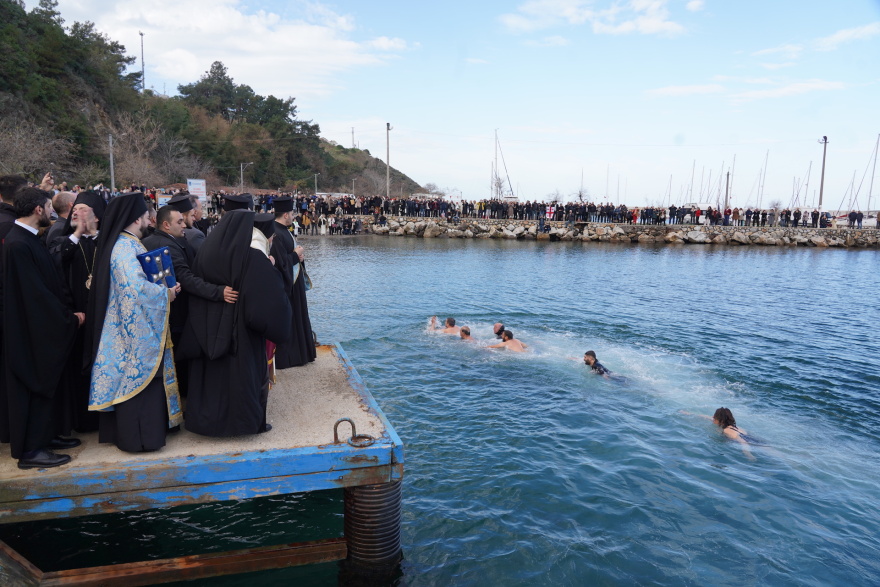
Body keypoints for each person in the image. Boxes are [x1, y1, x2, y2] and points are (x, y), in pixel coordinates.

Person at [180, 211, 292, 437]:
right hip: (239, 331)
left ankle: (203, 422)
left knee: (209, 380)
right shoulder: (250, 256)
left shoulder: (207, 251)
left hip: (208, 326)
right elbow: (266, 300)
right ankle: (244, 425)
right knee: (241, 379)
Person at [87, 193, 183, 453]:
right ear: (136, 218)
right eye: (145, 216)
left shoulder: (126, 244)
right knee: (139, 383)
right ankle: (140, 440)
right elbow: (137, 290)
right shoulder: (125, 247)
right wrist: (168, 293)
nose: (148, 220)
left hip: (128, 326)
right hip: (134, 332)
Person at [3, 188, 83, 468]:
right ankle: (30, 451)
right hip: (31, 331)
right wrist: (69, 319)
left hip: (36, 327)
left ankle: (45, 437)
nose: (51, 211)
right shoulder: (18, 245)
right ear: (38, 209)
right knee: (33, 384)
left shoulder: (26, 240)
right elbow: (34, 295)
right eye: (49, 206)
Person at [143, 203, 238, 395]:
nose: (184, 225)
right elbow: (186, 279)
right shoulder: (168, 246)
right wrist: (218, 292)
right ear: (166, 225)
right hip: (175, 313)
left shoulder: (149, 240)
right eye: (179, 222)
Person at [48, 190, 106, 433]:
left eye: (84, 209)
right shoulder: (65, 240)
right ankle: (82, 421)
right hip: (77, 315)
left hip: (102, 315)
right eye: (76, 209)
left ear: (98, 216)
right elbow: (55, 260)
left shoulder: (107, 242)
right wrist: (78, 233)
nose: (77, 213)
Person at [270, 196, 316, 368]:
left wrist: (299, 257)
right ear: (286, 215)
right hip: (288, 286)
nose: (293, 216)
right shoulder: (277, 233)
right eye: (291, 213)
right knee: (292, 320)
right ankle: (292, 357)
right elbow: (280, 264)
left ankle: (301, 353)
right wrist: (296, 256)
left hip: (294, 282)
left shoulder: (283, 230)